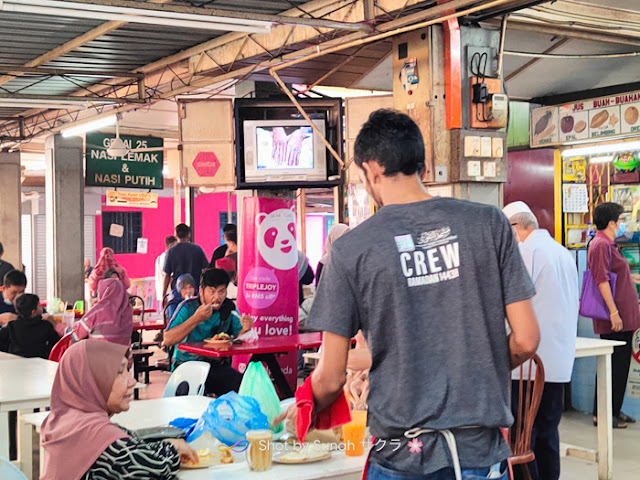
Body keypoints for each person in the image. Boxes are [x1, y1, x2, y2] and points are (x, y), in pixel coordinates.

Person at [277, 110, 540, 480]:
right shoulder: (490, 223)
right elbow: (527, 340)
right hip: (479, 455)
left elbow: (332, 376)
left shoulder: (351, 250)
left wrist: (303, 406)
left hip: (402, 457)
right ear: (423, 164)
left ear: (371, 170)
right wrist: (477, 372)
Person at [41, 340, 197, 480]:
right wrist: (173, 448)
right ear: (91, 382)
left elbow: (129, 439)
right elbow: (156, 466)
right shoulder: (97, 437)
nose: (132, 381)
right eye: (119, 373)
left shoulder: (67, 422)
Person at [503, 201, 579, 480]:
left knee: (523, 438)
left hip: (527, 366)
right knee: (548, 434)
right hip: (557, 363)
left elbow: (509, 304)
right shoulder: (562, 252)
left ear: (514, 228)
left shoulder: (525, 251)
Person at [588, 202, 640, 428]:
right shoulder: (600, 245)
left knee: (620, 366)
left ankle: (614, 410)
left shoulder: (610, 244)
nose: (622, 225)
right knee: (612, 366)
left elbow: (617, 275)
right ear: (611, 223)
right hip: (614, 318)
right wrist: (614, 312)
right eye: (620, 220)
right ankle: (603, 413)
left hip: (623, 316)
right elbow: (601, 280)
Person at [163, 268, 254, 397]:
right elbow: (167, 339)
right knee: (186, 400)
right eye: (212, 292)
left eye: (221, 292)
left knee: (245, 389)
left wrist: (245, 328)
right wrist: (196, 318)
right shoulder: (188, 307)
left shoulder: (228, 308)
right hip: (187, 366)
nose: (217, 297)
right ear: (201, 291)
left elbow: (239, 335)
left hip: (216, 366)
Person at [73, 278, 133, 346]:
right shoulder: (128, 311)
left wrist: (61, 328)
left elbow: (77, 334)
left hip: (97, 354)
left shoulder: (99, 310)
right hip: (122, 355)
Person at [0, 293, 61, 359]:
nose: (42, 308)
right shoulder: (45, 325)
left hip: (16, 362)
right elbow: (56, 343)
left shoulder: (11, 326)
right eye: (39, 306)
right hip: (40, 362)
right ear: (33, 312)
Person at [163, 224, 208, 299]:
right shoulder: (197, 249)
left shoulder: (171, 251)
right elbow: (205, 270)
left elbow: (167, 275)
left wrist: (164, 294)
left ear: (176, 235)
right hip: (195, 290)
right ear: (189, 235)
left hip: (177, 292)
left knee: (178, 310)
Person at [156, 235, 178, 310]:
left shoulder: (159, 258)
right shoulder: (167, 259)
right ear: (171, 246)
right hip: (168, 294)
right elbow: (169, 276)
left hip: (162, 294)